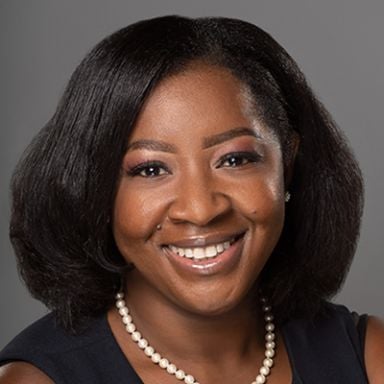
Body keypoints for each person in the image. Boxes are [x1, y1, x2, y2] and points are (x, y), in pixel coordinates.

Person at [0, 15, 383, 384]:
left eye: (235, 159)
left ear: (287, 165)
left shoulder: (369, 358)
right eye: (151, 170)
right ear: (94, 189)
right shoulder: (35, 379)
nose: (200, 209)